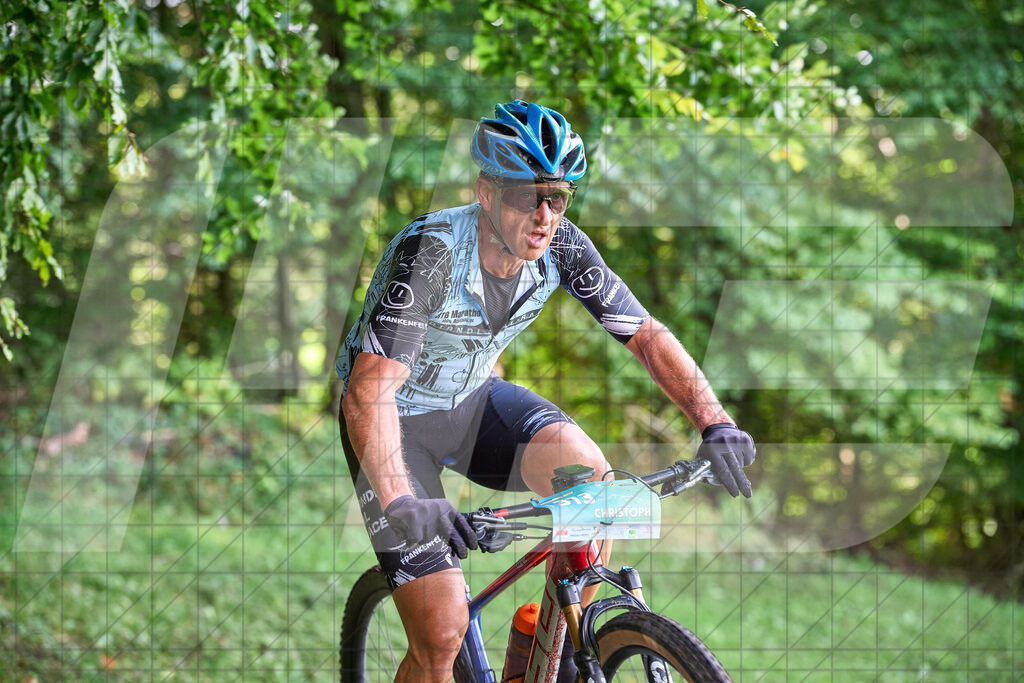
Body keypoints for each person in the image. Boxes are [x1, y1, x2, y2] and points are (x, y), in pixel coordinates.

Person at [336, 100, 756, 681]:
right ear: (486, 193)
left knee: (591, 483)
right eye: (525, 197)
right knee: (440, 633)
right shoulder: (429, 254)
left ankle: (552, 654)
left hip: (473, 403)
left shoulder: (562, 247)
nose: (543, 215)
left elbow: (645, 335)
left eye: (557, 197)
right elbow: (368, 393)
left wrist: (715, 421)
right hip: (393, 424)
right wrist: (400, 500)